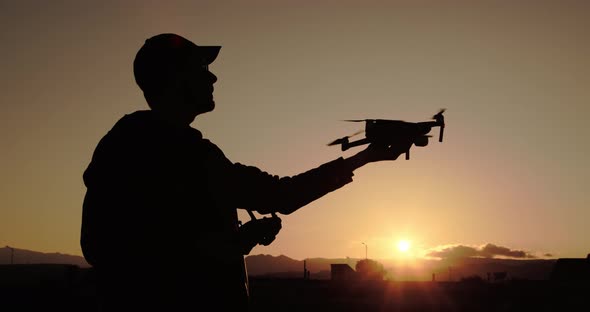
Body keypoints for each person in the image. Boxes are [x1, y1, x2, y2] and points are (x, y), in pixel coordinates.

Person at [80, 33, 417, 311]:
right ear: (175, 79)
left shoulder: (129, 146)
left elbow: (147, 243)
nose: (212, 77)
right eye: (201, 68)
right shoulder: (182, 152)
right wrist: (366, 157)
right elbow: (280, 196)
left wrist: (235, 241)